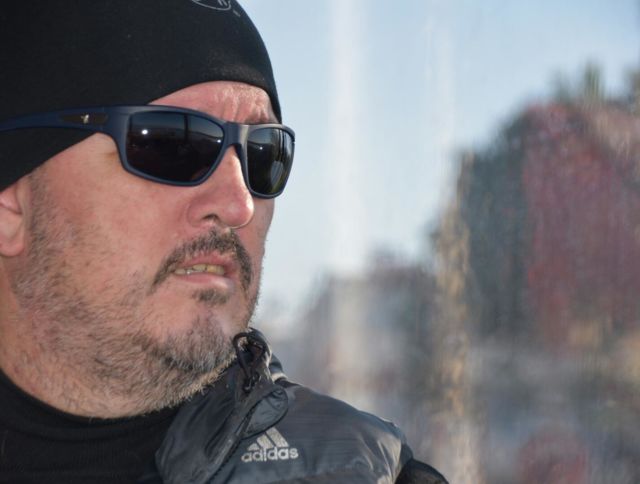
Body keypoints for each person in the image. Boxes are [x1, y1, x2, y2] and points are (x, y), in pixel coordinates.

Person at [0, 2, 447, 483]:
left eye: (263, 153)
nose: (239, 204)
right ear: (11, 206)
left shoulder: (361, 472)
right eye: (172, 143)